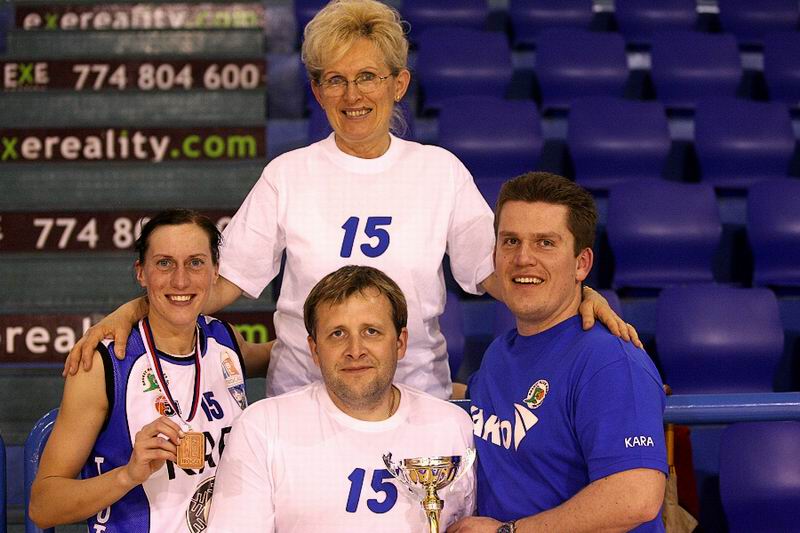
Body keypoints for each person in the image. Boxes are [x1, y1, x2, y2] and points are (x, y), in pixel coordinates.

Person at [65, 0, 636, 400]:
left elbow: (505, 277)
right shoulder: (288, 175)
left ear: (398, 84)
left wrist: (580, 298)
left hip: (415, 403)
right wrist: (131, 311)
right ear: (317, 91)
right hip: (303, 402)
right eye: (334, 79)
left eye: (367, 76)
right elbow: (213, 287)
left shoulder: (440, 172)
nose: (352, 94)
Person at [448, 173, 667, 533]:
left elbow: (635, 498)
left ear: (582, 263)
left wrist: (510, 531)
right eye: (511, 241)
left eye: (545, 243)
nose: (523, 258)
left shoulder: (609, 362)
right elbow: (476, 403)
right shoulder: (499, 353)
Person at [29, 210, 270, 532]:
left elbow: (287, 355)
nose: (180, 280)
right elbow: (43, 506)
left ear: (215, 272)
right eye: (164, 263)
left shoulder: (224, 341)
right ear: (141, 273)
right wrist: (128, 475)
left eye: (196, 263)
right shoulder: (105, 364)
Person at [206, 265, 476, 532]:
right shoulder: (262, 428)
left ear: (400, 342)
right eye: (337, 334)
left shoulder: (452, 426)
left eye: (371, 331)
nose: (355, 350)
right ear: (314, 349)